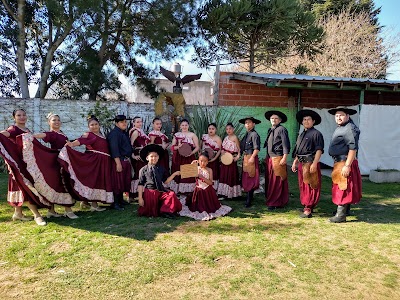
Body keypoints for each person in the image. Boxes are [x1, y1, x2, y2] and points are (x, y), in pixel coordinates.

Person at [23, 113, 77, 219]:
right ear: (49, 122)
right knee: (61, 184)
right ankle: (67, 210)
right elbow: (44, 135)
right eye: (54, 120)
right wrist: (30, 136)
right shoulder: (52, 134)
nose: (56, 122)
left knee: (59, 183)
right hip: (57, 162)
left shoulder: (61, 133)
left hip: (64, 160)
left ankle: (51, 211)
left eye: (58, 120)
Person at [0, 109, 47, 226]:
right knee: (26, 186)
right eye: (18, 115)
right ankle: (37, 215)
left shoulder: (27, 130)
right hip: (17, 164)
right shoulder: (13, 129)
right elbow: (2, 134)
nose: (22, 117)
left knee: (20, 186)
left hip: (27, 163)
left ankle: (18, 213)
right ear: (14, 118)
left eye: (24, 115)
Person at [60, 115, 113, 211]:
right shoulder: (89, 134)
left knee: (99, 181)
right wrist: (72, 144)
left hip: (103, 162)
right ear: (89, 127)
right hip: (95, 161)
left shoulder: (102, 135)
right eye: (92, 125)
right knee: (94, 180)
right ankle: (94, 204)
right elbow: (81, 140)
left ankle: (87, 202)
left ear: (99, 125)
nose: (94, 126)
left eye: (96, 124)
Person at [328, 107, 362, 223]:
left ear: (347, 116)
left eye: (341, 115)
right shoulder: (341, 128)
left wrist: (347, 166)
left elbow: (353, 149)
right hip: (339, 162)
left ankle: (341, 215)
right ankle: (344, 211)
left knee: (343, 188)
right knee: (341, 186)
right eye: (336, 116)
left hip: (345, 162)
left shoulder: (350, 128)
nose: (338, 117)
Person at [179, 152, 232, 221]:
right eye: (201, 161)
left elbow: (210, 182)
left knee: (209, 206)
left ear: (207, 162)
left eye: (205, 161)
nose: (202, 163)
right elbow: (185, 173)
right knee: (197, 205)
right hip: (198, 190)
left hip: (208, 190)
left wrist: (203, 178)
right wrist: (192, 165)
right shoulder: (197, 168)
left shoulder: (209, 170)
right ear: (198, 161)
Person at [291, 110, 324, 218]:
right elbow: (298, 151)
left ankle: (308, 208)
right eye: (304, 120)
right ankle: (306, 204)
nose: (306, 121)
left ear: (313, 121)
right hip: (301, 164)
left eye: (309, 119)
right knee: (303, 186)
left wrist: (315, 163)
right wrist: (295, 162)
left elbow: (319, 150)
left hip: (310, 163)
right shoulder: (301, 135)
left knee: (311, 185)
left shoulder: (316, 134)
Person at [137, 144, 182, 217]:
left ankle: (166, 211)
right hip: (150, 192)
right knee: (151, 211)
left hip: (160, 191)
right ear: (147, 158)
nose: (154, 158)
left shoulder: (161, 168)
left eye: (156, 156)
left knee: (171, 194)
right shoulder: (143, 170)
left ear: (158, 158)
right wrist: (140, 198)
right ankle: (158, 210)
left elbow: (165, 181)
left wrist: (174, 174)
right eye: (151, 156)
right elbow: (140, 184)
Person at [264, 111, 290, 210]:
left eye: (275, 118)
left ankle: (276, 202)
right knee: (271, 180)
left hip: (278, 158)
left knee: (277, 180)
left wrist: (284, 157)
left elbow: (285, 144)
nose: (273, 120)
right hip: (270, 158)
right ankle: (271, 198)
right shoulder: (270, 129)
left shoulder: (282, 129)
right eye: (272, 118)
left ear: (280, 120)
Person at [107, 114, 133, 210]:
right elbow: (114, 149)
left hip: (125, 160)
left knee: (123, 181)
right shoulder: (114, 134)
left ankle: (121, 200)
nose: (124, 123)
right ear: (117, 123)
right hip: (118, 161)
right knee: (117, 182)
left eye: (125, 122)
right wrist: (118, 163)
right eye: (122, 122)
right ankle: (115, 203)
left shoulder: (123, 133)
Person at [169, 119, 200, 194]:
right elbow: (172, 147)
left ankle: (188, 191)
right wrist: (178, 146)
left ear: (188, 126)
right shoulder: (177, 135)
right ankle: (178, 190)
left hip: (189, 157)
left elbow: (197, 147)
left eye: (186, 125)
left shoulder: (192, 135)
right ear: (180, 126)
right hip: (178, 157)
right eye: (182, 125)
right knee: (178, 172)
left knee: (188, 173)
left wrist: (191, 153)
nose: (184, 127)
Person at [239, 116, 261, 208]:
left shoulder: (254, 135)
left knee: (251, 177)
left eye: (249, 122)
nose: (247, 124)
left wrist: (252, 157)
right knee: (246, 177)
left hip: (251, 157)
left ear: (253, 124)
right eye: (246, 123)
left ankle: (249, 200)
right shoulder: (247, 134)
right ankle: (248, 197)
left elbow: (257, 148)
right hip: (246, 157)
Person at [217, 122, 242, 199]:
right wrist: (222, 152)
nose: (228, 130)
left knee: (231, 175)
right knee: (224, 175)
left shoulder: (235, 138)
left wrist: (237, 156)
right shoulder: (225, 138)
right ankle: (223, 193)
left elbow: (239, 149)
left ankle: (231, 194)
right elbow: (223, 148)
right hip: (225, 159)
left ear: (233, 129)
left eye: (230, 129)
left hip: (231, 159)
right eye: (227, 129)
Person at [129, 116, 150, 197]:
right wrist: (133, 155)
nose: (140, 123)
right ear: (133, 123)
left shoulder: (141, 131)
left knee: (144, 173)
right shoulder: (135, 132)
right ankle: (134, 194)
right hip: (138, 154)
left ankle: (143, 192)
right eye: (137, 122)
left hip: (143, 153)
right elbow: (131, 145)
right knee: (139, 173)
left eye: (141, 122)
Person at [200, 123, 222, 189]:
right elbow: (200, 146)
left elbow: (219, 150)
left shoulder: (218, 139)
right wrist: (201, 154)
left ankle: (213, 189)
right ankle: (202, 186)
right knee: (204, 172)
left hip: (213, 159)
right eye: (209, 129)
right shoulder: (204, 136)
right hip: (204, 159)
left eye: (213, 129)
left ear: (216, 130)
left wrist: (214, 158)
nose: (211, 130)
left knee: (213, 173)